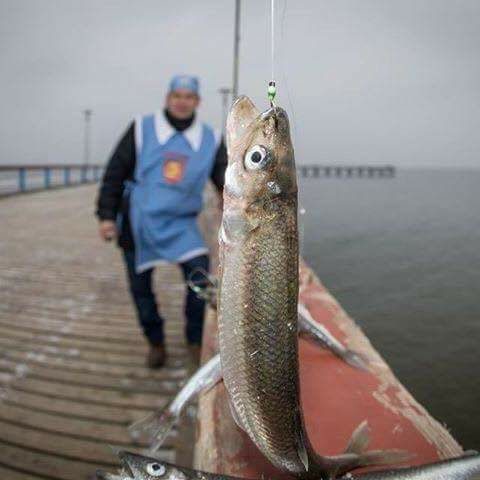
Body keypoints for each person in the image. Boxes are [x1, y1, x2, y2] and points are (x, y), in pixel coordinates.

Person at [96, 75, 226, 369]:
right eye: (176, 95)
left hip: (182, 224)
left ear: (197, 102)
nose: (182, 101)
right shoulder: (142, 128)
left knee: (200, 282)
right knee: (141, 290)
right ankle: (155, 342)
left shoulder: (212, 139)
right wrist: (106, 216)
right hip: (138, 222)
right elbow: (115, 173)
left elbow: (224, 178)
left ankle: (194, 340)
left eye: (189, 96)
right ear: (167, 98)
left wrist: (228, 201)